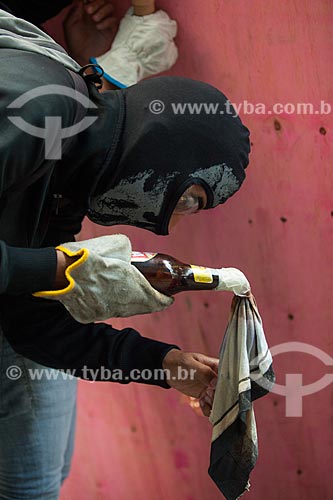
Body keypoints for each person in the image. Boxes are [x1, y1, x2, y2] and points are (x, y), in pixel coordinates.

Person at [0, 3, 251, 500]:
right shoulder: (40, 110)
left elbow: (31, 324)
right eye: (189, 200)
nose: (170, 228)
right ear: (166, 153)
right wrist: (61, 266)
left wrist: (165, 365)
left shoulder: (67, 176)